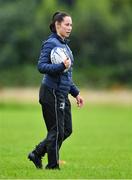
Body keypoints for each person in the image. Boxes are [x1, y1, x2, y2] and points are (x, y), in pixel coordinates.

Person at [28, 11, 84, 170]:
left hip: (62, 92)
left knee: (66, 130)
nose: (70, 27)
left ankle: (37, 153)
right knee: (56, 130)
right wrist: (60, 66)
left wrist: (76, 93)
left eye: (71, 24)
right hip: (51, 92)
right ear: (57, 25)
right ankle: (52, 166)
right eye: (67, 24)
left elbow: (66, 74)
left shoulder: (65, 45)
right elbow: (41, 66)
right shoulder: (50, 43)